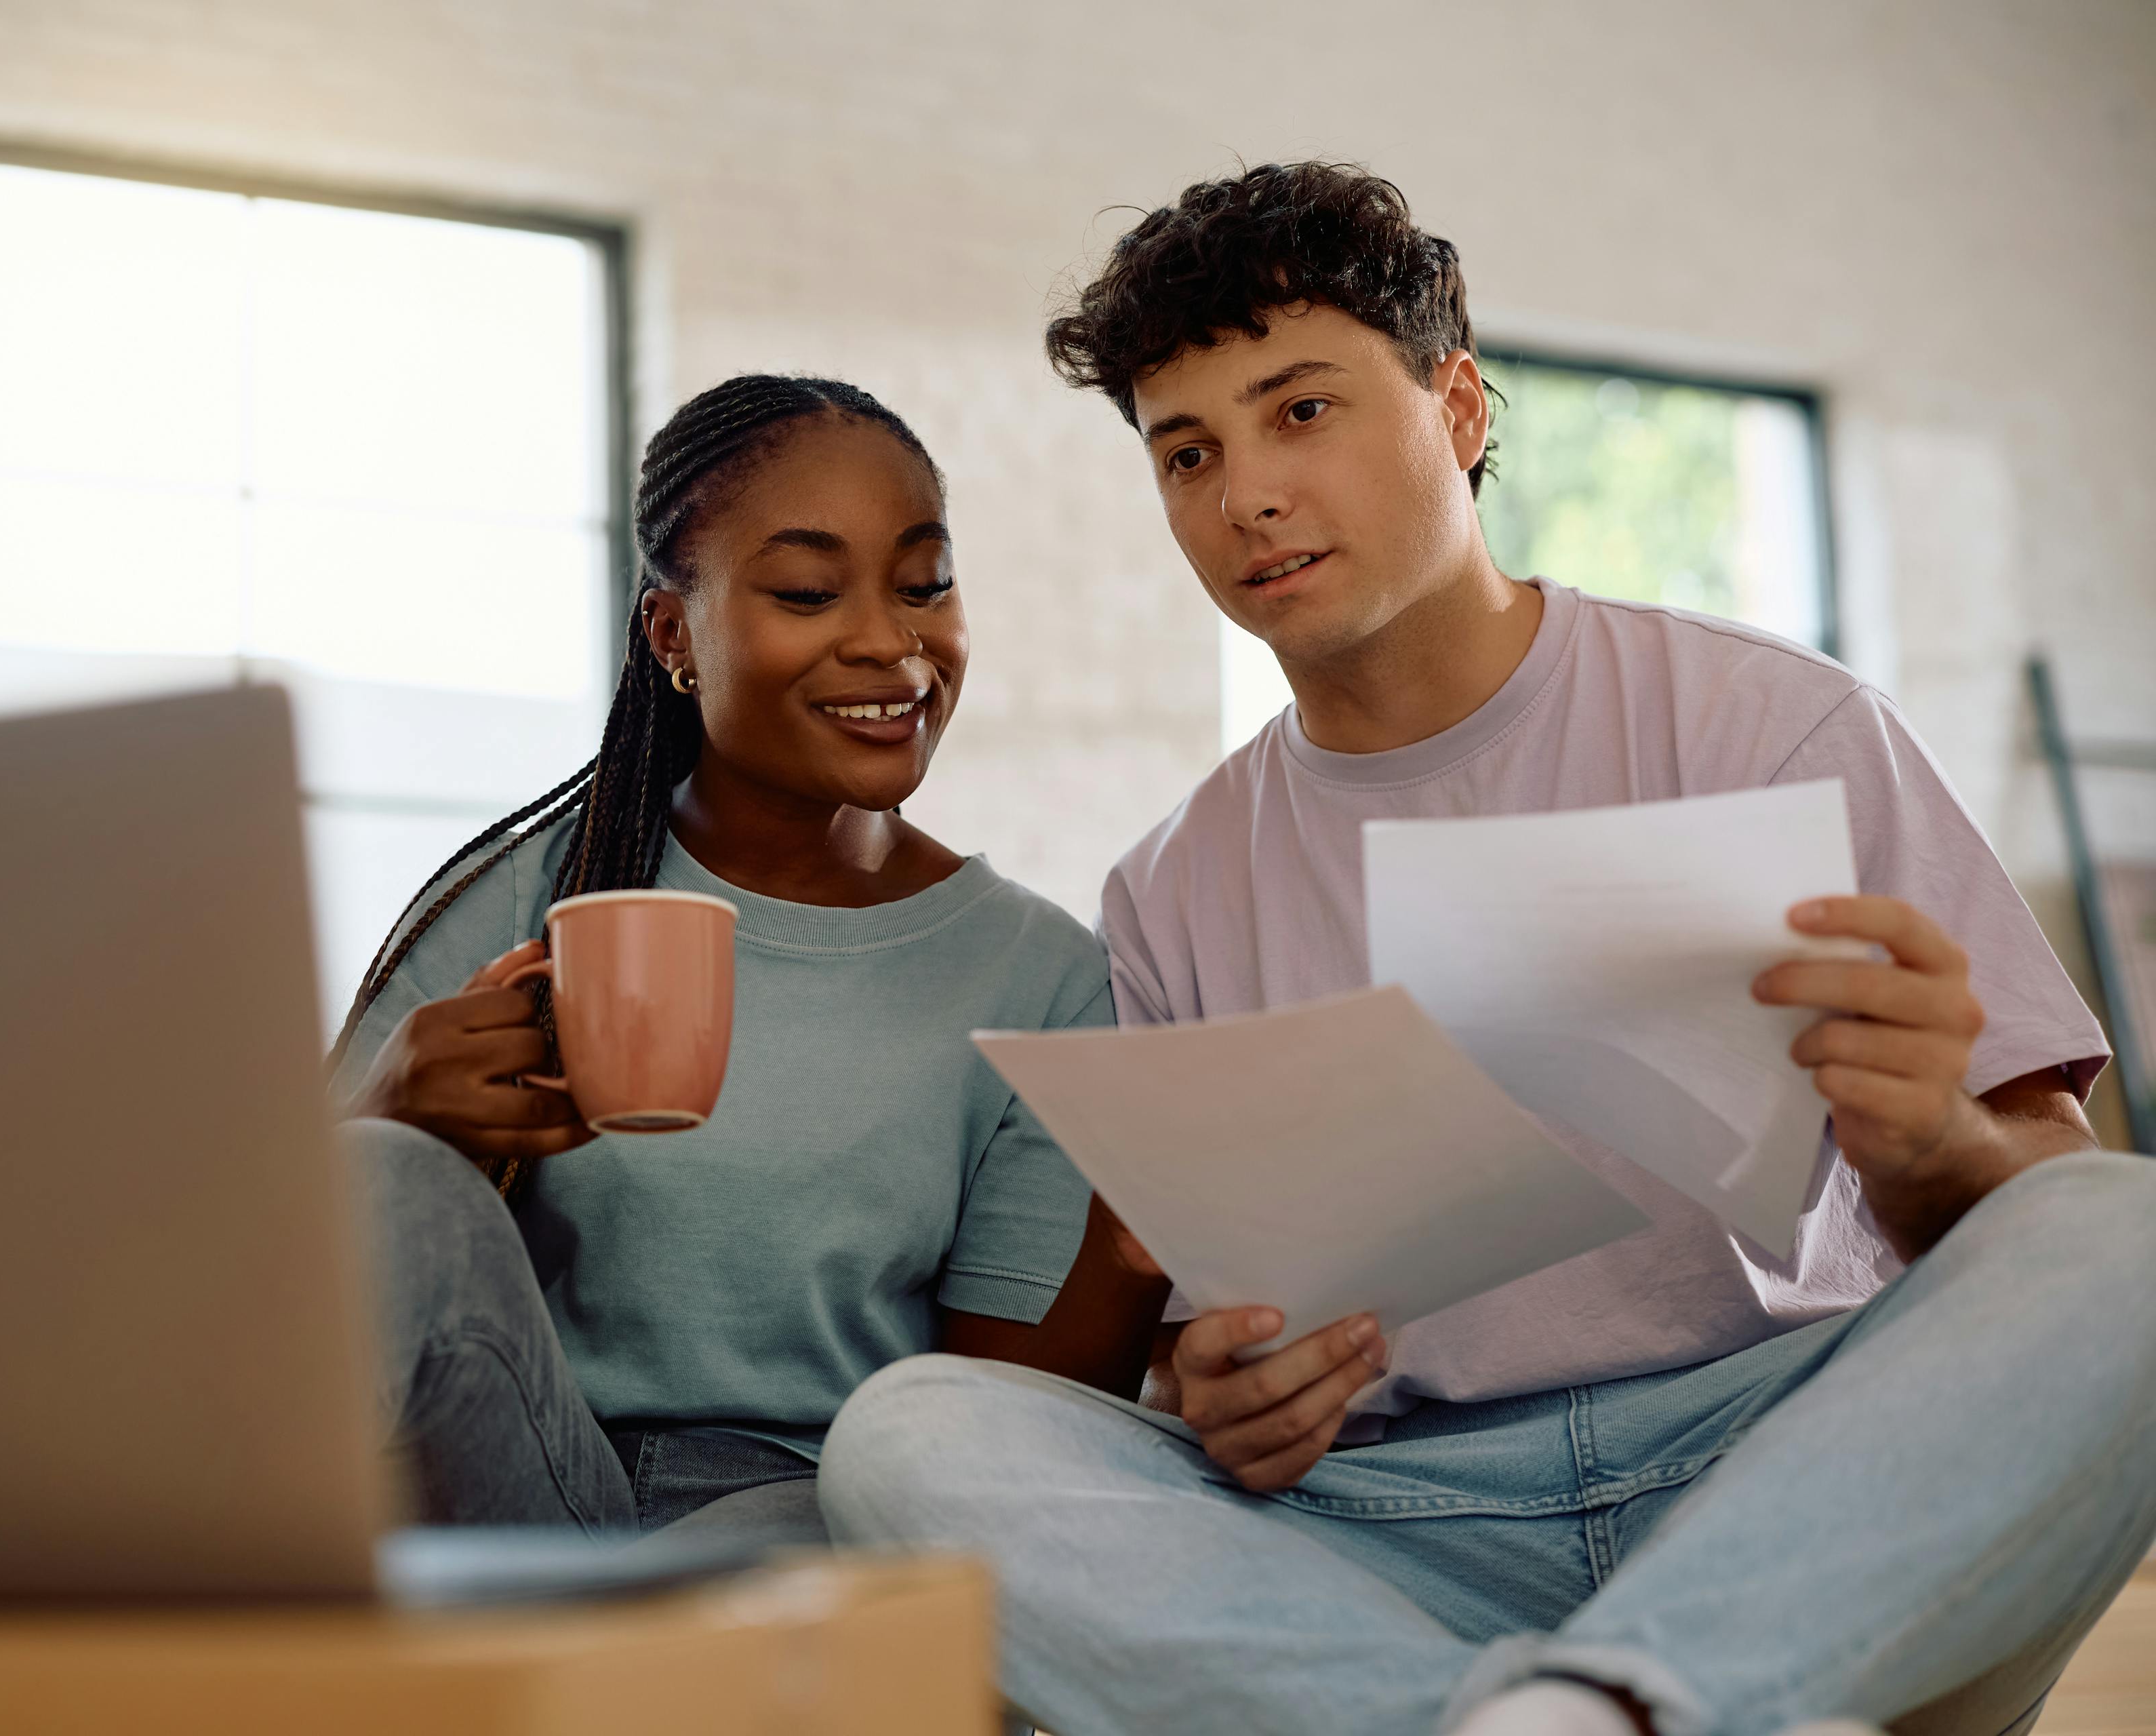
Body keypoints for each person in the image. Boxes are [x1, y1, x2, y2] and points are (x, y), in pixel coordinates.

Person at [818, 163, 2156, 1734]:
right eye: (1189, 451)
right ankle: (1598, 1712)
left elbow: (2047, 1207)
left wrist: (1929, 1142)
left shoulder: (1782, 726)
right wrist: (1241, 1405)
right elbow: (1210, 1371)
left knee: (2125, 1232)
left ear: (1456, 408)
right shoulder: (1171, 888)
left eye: (1300, 411)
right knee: (908, 1435)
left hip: (1791, 1473)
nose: (1243, 492)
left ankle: (1614, 1694)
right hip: (1407, 1527)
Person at [329, 374, 1167, 1543]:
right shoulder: (530, 893)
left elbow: (1000, 1440)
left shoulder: (1042, 980)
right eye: (810, 592)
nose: (889, 642)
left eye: (924, 584)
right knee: (375, 1170)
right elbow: (266, 1298)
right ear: (675, 634)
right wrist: (391, 1111)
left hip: (815, 1511)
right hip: (515, 1478)